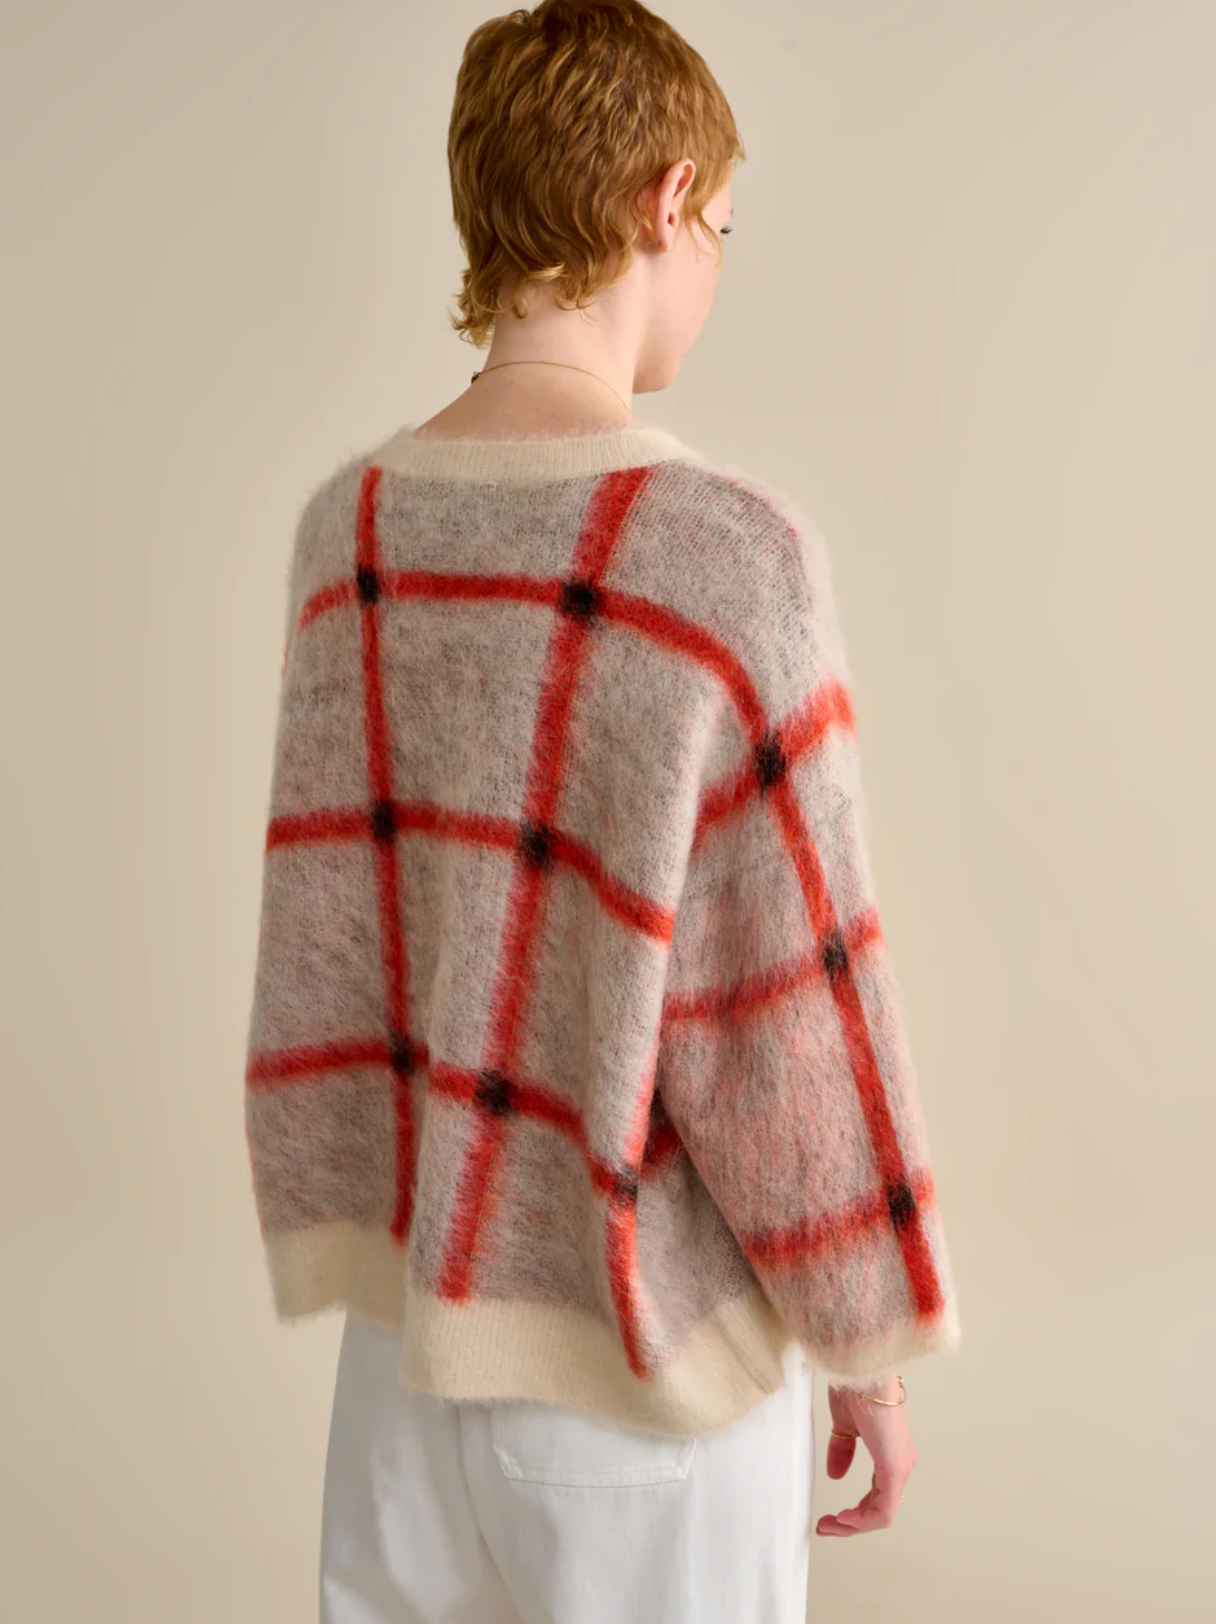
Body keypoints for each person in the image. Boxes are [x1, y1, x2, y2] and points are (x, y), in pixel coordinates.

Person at [242, 2, 963, 1619]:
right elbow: (784, 1006)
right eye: (723, 228)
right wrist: (867, 1349)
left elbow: (333, 955)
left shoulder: (349, 536)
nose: (716, 266)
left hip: (405, 1359)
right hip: (644, 1373)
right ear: (668, 197)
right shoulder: (727, 556)